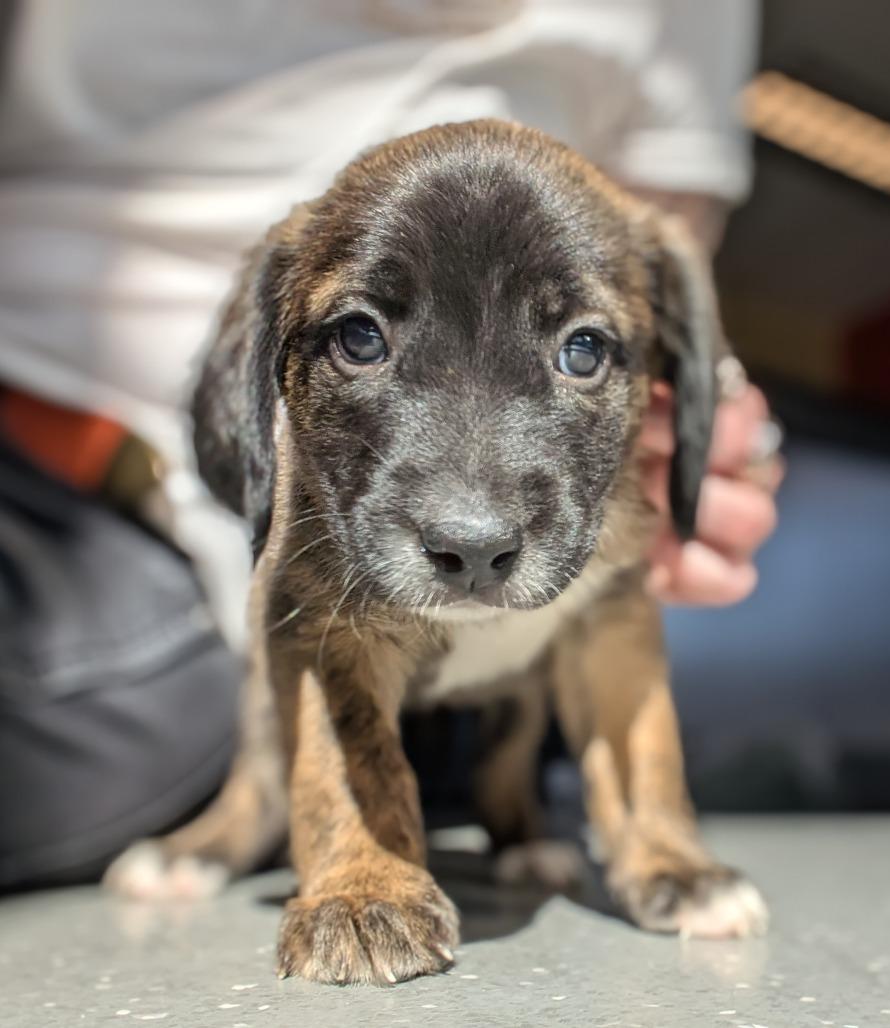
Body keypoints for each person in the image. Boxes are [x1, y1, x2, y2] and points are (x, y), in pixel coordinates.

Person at [0, 0, 779, 890]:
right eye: (360, 336)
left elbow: (671, 260)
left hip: (483, 559)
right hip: (68, 461)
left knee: (571, 633)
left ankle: (488, 790)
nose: (473, 520)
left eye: (584, 348)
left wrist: (709, 436)